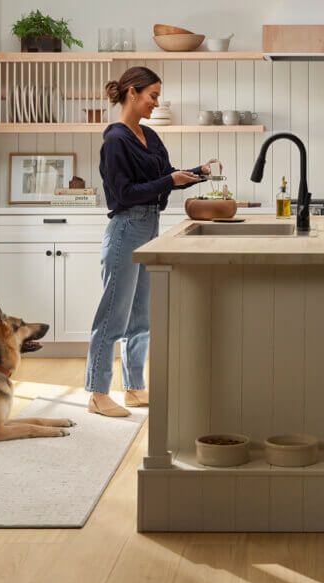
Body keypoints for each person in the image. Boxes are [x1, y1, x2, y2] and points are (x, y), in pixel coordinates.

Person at [85, 66, 220, 417]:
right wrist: (170, 181)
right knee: (113, 315)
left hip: (149, 228)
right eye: (153, 96)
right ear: (132, 92)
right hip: (126, 230)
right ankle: (97, 392)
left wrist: (199, 172)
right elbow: (124, 194)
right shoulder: (115, 140)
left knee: (141, 316)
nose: (156, 103)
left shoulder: (149, 136)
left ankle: (134, 387)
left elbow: (166, 176)